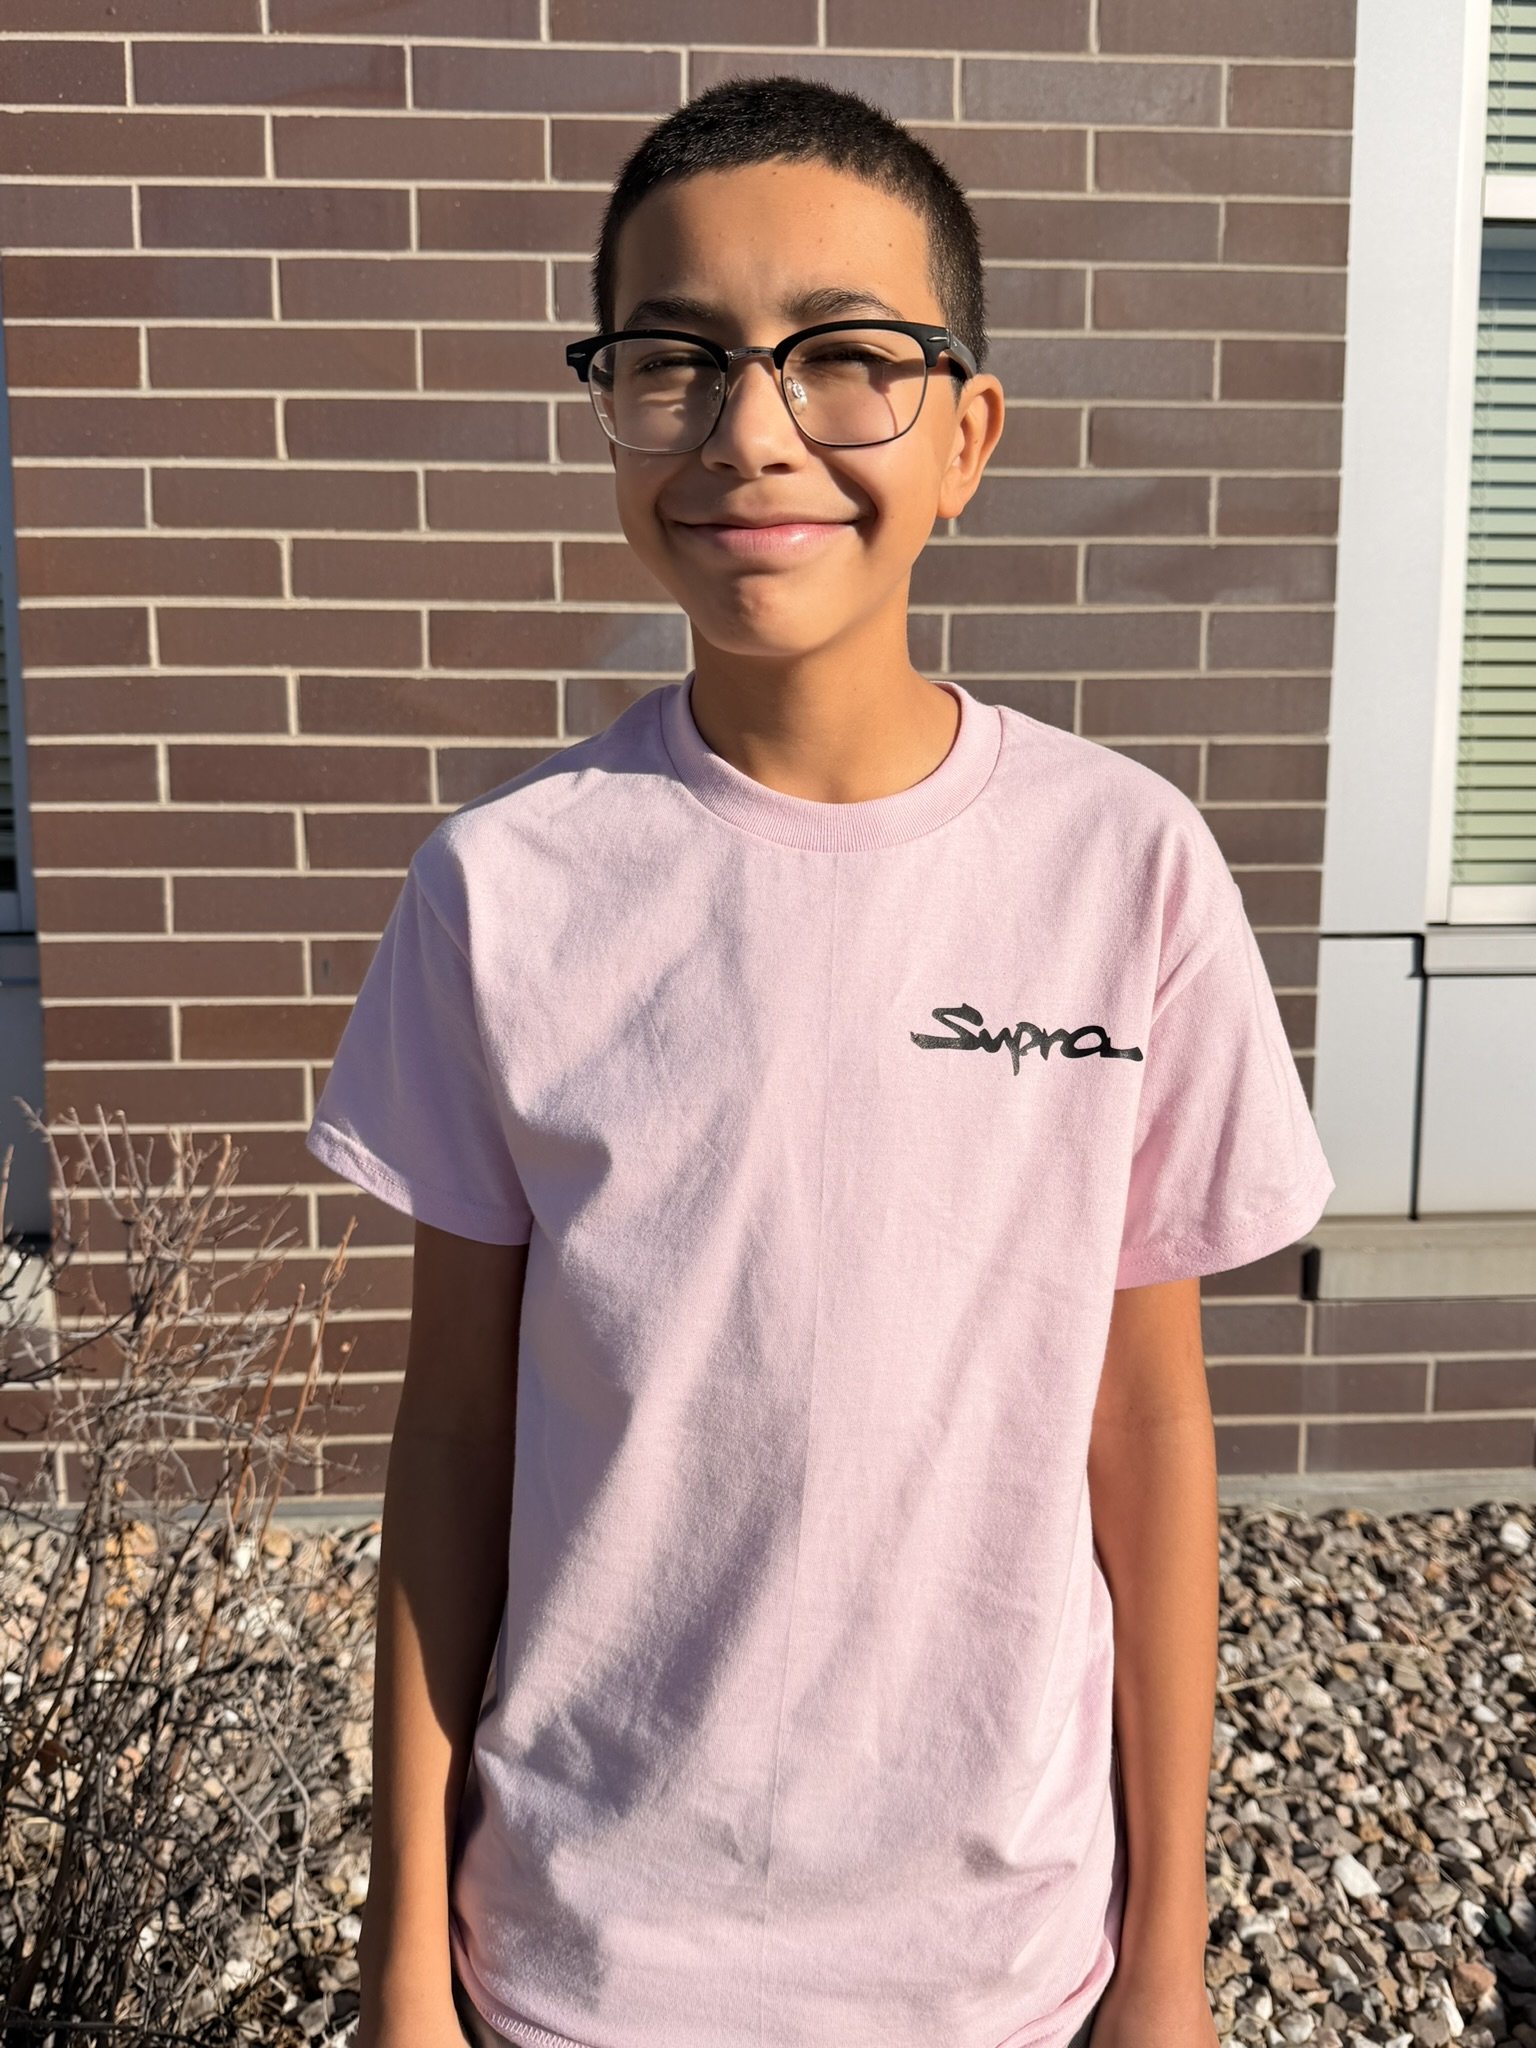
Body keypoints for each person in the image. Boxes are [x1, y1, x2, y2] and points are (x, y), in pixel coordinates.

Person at [305, 72, 1335, 2048]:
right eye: (674, 360)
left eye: (845, 359)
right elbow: (450, 1438)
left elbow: (1150, 1432)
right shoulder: (505, 890)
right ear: (610, 407)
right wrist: (404, 1960)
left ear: (969, 436)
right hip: (594, 1953)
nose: (752, 430)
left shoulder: (1121, 870)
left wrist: (1169, 1952)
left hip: (995, 1958)